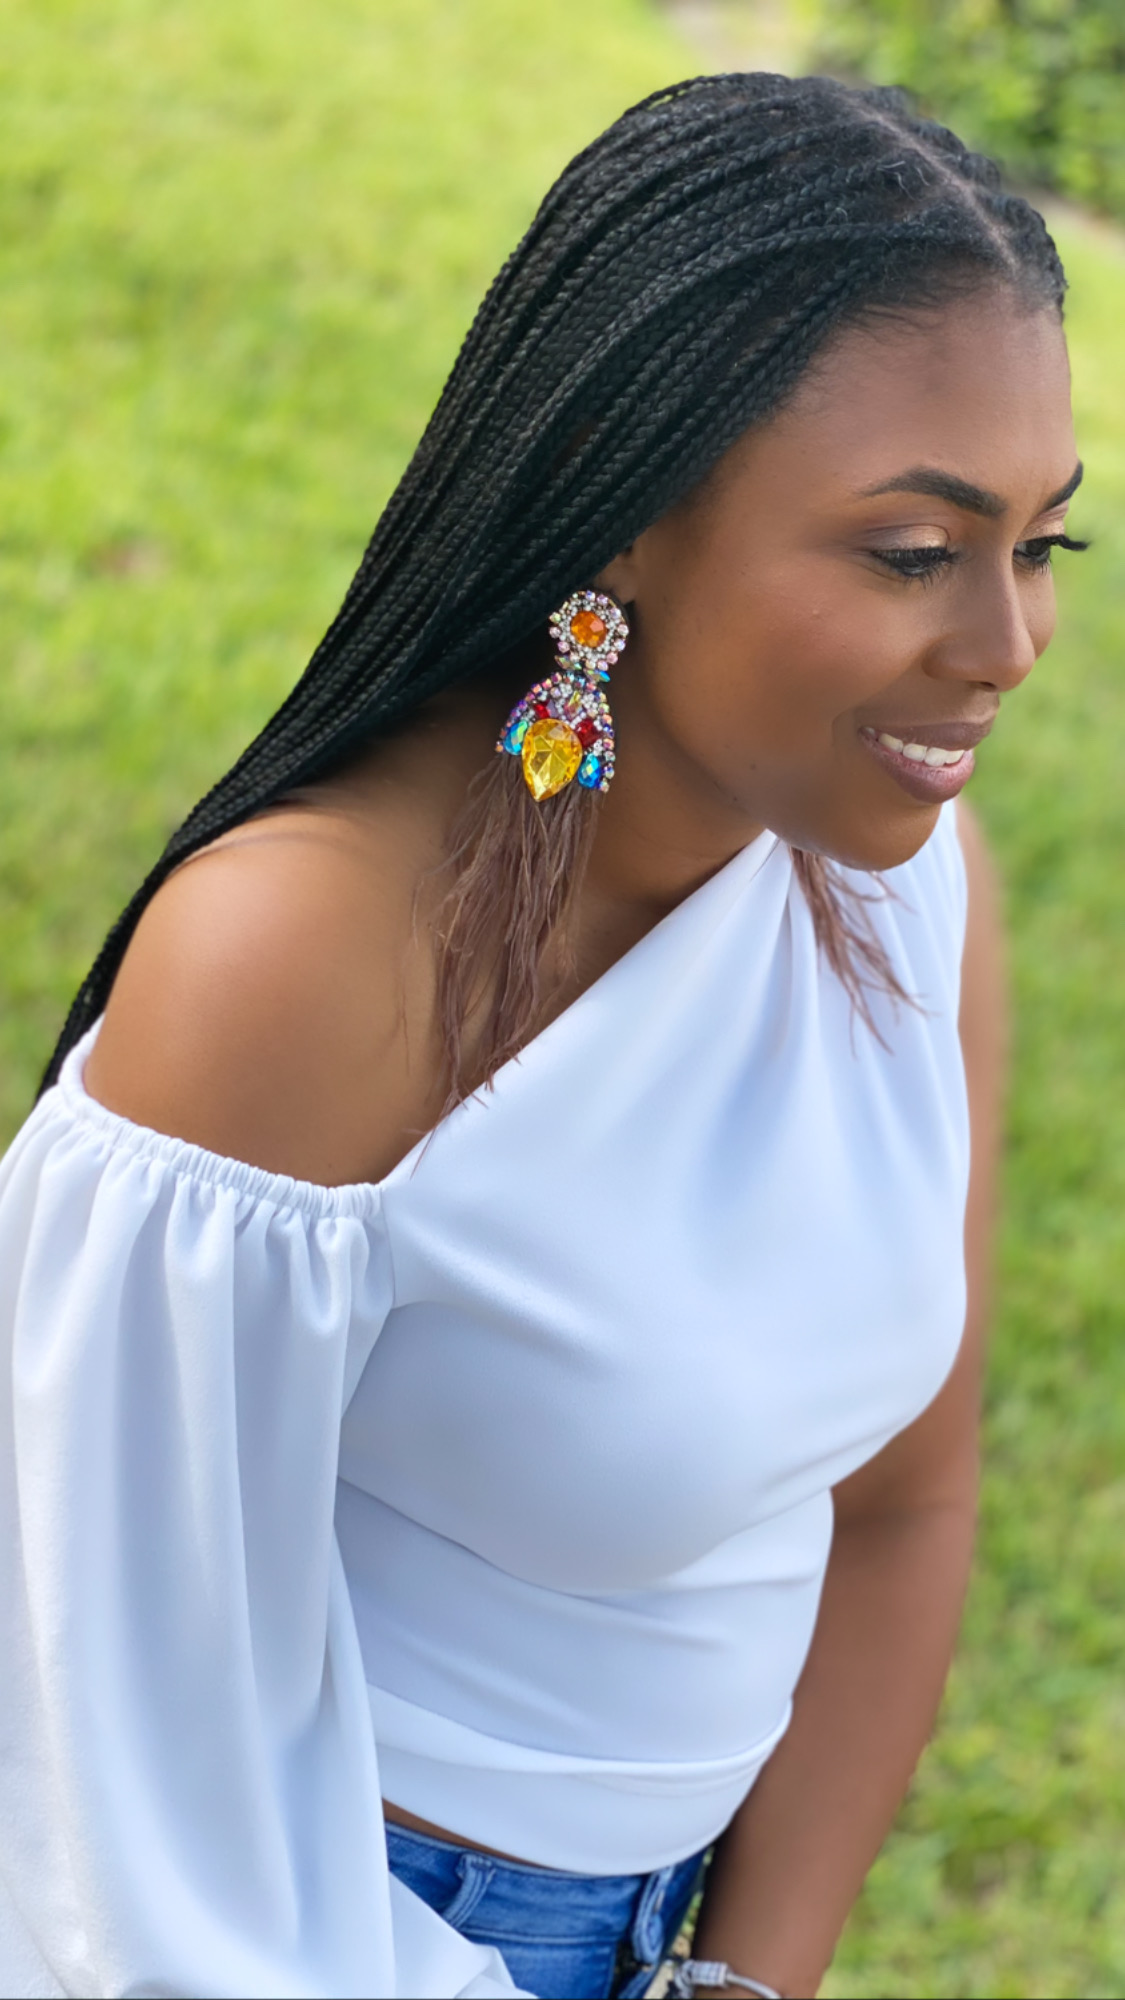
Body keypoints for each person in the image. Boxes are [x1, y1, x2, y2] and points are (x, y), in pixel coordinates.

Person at [0, 69, 1086, 2000]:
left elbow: (898, 1504)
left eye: (1041, 548)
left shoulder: (905, 891)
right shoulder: (301, 965)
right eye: (914, 552)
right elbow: (110, 1773)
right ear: (621, 509)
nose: (1003, 646)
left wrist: (744, 1978)